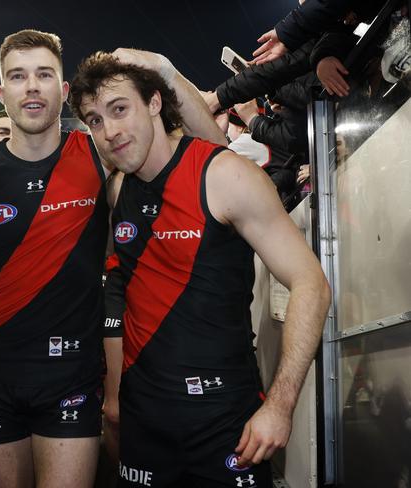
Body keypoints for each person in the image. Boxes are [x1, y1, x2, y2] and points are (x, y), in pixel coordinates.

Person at [0, 29, 224, 488]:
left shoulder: (100, 153)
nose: (32, 86)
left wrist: (165, 71)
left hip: (72, 379)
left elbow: (210, 154)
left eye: (44, 75)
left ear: (63, 92)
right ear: (3, 93)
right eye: (18, 76)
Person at [69, 52, 331, 487]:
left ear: (154, 102)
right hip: (144, 419)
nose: (109, 131)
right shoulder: (117, 188)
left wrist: (280, 406)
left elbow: (311, 284)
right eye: (94, 120)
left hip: (225, 417)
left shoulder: (225, 175)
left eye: (119, 109)